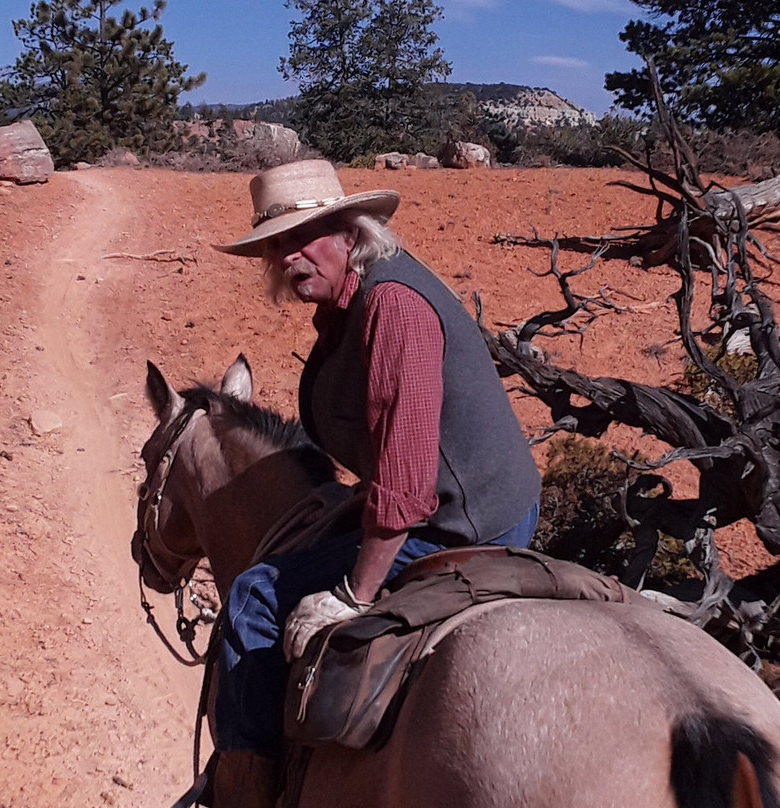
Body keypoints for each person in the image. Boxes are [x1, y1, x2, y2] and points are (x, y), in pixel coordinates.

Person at [208, 159, 541, 806]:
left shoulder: (392, 305)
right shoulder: (355, 303)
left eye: (306, 237)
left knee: (253, 598)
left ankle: (244, 788)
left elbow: (410, 481)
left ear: (353, 235)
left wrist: (355, 594)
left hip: (458, 521)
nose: (291, 257)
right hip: (470, 498)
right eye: (278, 245)